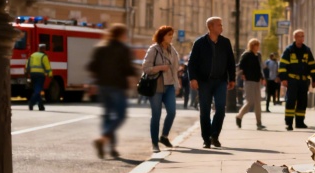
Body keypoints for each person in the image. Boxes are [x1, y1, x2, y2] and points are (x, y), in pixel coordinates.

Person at [87, 24, 136, 159]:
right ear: (120, 35)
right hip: (118, 86)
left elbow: (92, 66)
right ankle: (103, 139)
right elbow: (128, 68)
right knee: (120, 115)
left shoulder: (100, 47)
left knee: (108, 115)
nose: (126, 37)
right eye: (125, 34)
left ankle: (111, 148)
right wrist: (132, 82)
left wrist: (94, 82)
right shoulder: (123, 49)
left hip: (103, 86)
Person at [187, 17, 236, 148]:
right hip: (204, 82)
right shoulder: (199, 43)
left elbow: (231, 62)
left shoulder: (225, 42)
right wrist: (193, 78)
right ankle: (206, 139)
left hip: (220, 81)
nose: (222, 27)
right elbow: (192, 63)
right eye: (219, 25)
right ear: (211, 27)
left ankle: (214, 135)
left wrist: (232, 79)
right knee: (205, 111)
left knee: (220, 109)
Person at [142, 25, 181, 153]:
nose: (171, 37)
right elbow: (146, 68)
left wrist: (177, 84)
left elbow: (175, 70)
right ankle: (154, 144)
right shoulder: (154, 49)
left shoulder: (172, 50)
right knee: (156, 115)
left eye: (172, 35)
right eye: (169, 34)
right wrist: (159, 68)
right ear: (162, 35)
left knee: (172, 112)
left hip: (169, 86)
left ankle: (163, 136)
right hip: (156, 86)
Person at [279, 29, 315, 131]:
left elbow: (312, 66)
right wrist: (283, 78)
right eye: (300, 36)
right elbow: (283, 65)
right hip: (292, 80)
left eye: (303, 36)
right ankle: (289, 123)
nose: (302, 38)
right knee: (291, 101)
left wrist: (314, 79)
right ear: (295, 37)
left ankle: (300, 122)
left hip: (304, 81)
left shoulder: (307, 50)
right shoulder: (289, 50)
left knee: (302, 101)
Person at [235, 39, 266, 130]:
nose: (257, 47)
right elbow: (241, 66)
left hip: (257, 80)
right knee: (250, 101)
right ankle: (239, 116)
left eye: (258, 45)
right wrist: (242, 75)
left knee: (257, 103)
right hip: (249, 80)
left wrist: (262, 78)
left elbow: (259, 68)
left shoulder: (258, 55)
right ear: (252, 46)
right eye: (256, 45)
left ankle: (259, 123)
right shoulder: (246, 55)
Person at [27, 43, 52, 111]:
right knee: (38, 90)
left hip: (33, 74)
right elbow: (47, 66)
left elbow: (27, 65)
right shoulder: (44, 56)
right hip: (40, 75)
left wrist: (27, 73)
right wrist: (50, 74)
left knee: (36, 90)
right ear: (43, 49)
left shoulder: (32, 55)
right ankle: (31, 102)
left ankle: (41, 106)